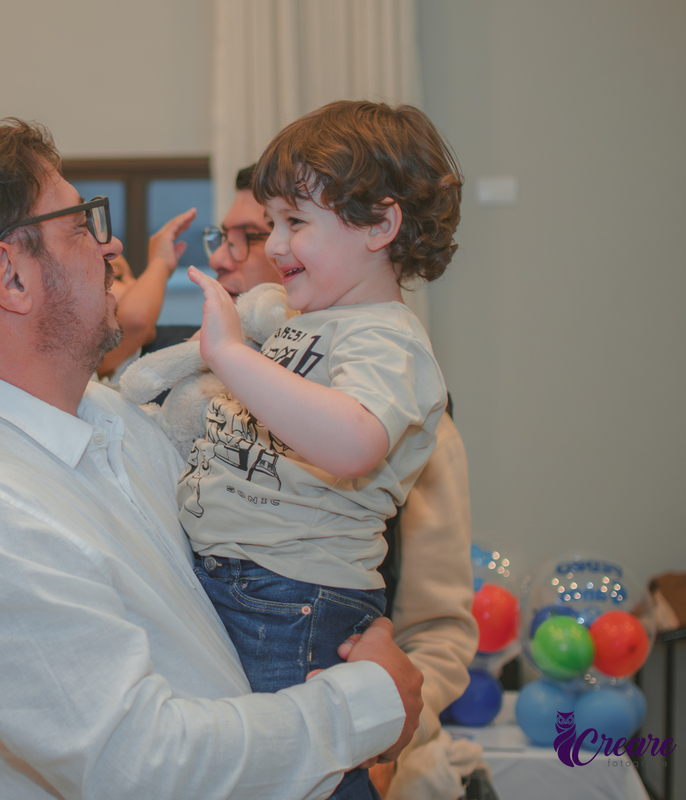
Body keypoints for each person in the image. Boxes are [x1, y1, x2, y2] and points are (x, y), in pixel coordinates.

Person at [0, 118, 423, 800]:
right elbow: (144, 768)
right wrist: (367, 704)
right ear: (10, 275)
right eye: (80, 223)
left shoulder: (108, 416)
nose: (113, 244)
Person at [181, 101, 463, 798]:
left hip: (310, 627)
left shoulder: (387, 367)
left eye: (287, 225)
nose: (263, 251)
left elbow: (439, 630)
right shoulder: (260, 349)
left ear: (379, 226)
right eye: (255, 228)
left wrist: (388, 725)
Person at [96, 208, 196, 380]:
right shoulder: (91, 352)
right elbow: (136, 319)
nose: (135, 285)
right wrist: (160, 263)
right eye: (118, 277)